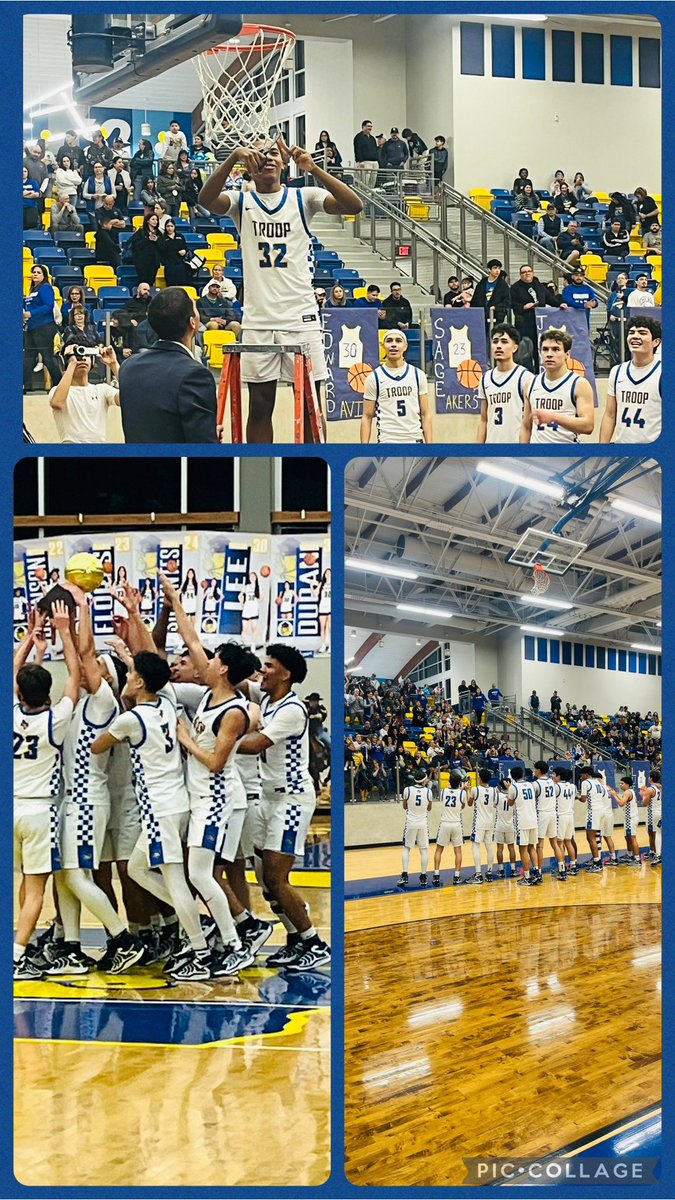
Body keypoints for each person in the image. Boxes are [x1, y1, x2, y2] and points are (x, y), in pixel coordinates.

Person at [199, 135, 362, 443]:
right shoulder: (241, 201)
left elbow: (354, 205)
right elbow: (205, 199)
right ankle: (262, 469)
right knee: (260, 406)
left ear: (284, 161)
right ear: (249, 165)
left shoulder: (305, 196)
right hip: (259, 319)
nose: (267, 158)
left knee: (310, 405)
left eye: (273, 152)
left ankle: (313, 468)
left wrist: (313, 168)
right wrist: (234, 155)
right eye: (259, 155)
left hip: (299, 315)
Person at [92, 650, 212, 980]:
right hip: (175, 802)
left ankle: (199, 951)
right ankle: (193, 920)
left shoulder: (130, 719)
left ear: (141, 681)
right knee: (136, 868)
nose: (127, 678)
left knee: (174, 879)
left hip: (160, 807)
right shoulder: (165, 705)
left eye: (131, 674)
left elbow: (97, 746)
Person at [47, 592, 144, 976]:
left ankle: (124, 939)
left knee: (72, 874)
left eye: (100, 666)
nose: (91, 668)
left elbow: (83, 658)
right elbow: (76, 667)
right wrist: (62, 635)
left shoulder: (103, 701)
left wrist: (79, 618)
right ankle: (70, 946)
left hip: (88, 801)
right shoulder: (76, 702)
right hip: (77, 801)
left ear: (107, 677)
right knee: (69, 874)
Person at [237, 644, 331, 972]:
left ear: (286, 674)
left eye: (268, 666)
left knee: (277, 878)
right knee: (265, 879)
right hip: (267, 798)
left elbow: (257, 744)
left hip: (291, 800)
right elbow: (234, 678)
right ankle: (294, 939)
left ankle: (313, 941)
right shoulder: (266, 699)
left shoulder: (292, 709)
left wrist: (213, 744)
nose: (261, 671)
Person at [12, 606, 78, 979]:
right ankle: (17, 955)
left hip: (12, 808)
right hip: (40, 811)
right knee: (37, 888)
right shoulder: (56, 720)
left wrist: (30, 635)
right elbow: (74, 675)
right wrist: (65, 632)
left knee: (24, 882)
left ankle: (22, 942)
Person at [119, 287, 218, 443]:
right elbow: (203, 448)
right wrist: (208, 434)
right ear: (192, 322)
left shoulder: (128, 366)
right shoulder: (195, 375)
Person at [522, 327, 594, 443]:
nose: (549, 354)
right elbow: (526, 426)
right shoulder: (531, 383)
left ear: (567, 354)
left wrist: (554, 417)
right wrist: (523, 455)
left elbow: (588, 426)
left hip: (567, 456)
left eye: (556, 349)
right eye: (545, 349)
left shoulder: (579, 384)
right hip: (537, 456)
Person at [360, 330, 432, 444]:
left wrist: (430, 448)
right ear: (383, 345)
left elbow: (425, 414)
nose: (393, 344)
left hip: (414, 440)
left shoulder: (418, 375)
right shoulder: (374, 377)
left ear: (405, 346)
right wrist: (363, 451)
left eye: (398, 341)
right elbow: (367, 417)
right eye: (389, 341)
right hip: (387, 442)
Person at [600, 316, 661, 443]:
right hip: (621, 454)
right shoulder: (617, 371)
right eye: (631, 333)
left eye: (642, 333)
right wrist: (601, 450)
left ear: (656, 342)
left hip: (652, 457)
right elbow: (610, 415)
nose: (635, 336)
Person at [49, 343, 119, 443]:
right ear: (64, 362)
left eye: (86, 354)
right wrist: (72, 362)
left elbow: (128, 397)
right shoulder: (57, 391)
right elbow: (57, 403)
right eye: (77, 354)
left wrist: (114, 364)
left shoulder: (102, 389)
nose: (82, 358)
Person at [477, 323, 534, 443]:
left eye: (504, 341)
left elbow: (531, 422)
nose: (498, 346)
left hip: (516, 449)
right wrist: (478, 451)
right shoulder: (485, 378)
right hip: (491, 449)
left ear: (515, 347)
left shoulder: (526, 378)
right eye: (495, 341)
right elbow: (483, 419)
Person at [510, 264, 566, 361]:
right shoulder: (515, 288)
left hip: (540, 322)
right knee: (526, 349)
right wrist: (523, 307)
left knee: (540, 348)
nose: (527, 273)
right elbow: (511, 303)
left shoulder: (539, 286)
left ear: (533, 273)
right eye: (524, 272)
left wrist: (560, 304)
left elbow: (549, 298)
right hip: (524, 322)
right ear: (520, 274)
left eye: (529, 271)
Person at [23, 264, 62, 392]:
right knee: (28, 358)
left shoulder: (45, 288)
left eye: (38, 272)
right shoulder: (33, 290)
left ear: (44, 275)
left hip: (44, 328)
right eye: (33, 272)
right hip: (32, 328)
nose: (35, 274)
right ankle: (26, 386)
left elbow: (48, 305)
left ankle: (60, 384)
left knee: (47, 358)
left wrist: (31, 314)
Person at [396, 767, 433, 888]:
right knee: (424, 850)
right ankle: (423, 876)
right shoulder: (428, 792)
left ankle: (405, 874)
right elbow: (429, 808)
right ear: (423, 781)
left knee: (407, 848)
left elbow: (404, 806)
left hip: (410, 822)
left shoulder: (407, 790)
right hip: (422, 823)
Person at [533, 760, 566, 881]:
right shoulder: (553, 783)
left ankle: (539, 873)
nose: (534, 771)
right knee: (555, 844)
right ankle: (562, 870)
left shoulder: (536, 784)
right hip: (553, 813)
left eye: (535, 769)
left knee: (540, 846)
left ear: (539, 770)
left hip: (542, 814)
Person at [507, 766, 539, 885]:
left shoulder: (513, 787)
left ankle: (527, 876)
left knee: (523, 849)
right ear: (523, 774)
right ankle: (537, 872)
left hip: (522, 821)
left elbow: (510, 803)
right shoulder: (531, 785)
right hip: (533, 820)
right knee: (532, 847)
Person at [467, 768, 497, 884]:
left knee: (476, 846)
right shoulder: (494, 790)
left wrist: (467, 791)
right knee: (489, 846)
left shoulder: (475, 789)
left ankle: (478, 874)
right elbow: (494, 804)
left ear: (480, 777)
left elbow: (470, 803)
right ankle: (489, 872)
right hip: (490, 821)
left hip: (479, 822)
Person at [471, 259, 511, 329]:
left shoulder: (503, 284)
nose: (497, 270)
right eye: (495, 268)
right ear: (489, 269)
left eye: (499, 268)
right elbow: (475, 299)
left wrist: (496, 307)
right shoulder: (482, 283)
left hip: (496, 315)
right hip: (481, 314)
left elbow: (507, 301)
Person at [128, 213, 162, 286]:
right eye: (153, 219)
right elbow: (136, 246)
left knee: (151, 282)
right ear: (148, 221)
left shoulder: (159, 233)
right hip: (142, 262)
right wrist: (148, 239)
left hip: (154, 262)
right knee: (142, 281)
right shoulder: (140, 232)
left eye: (156, 219)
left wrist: (157, 241)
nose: (155, 221)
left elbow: (162, 247)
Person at [159, 218, 192, 286]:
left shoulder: (180, 236)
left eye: (171, 226)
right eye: (168, 226)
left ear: (174, 227)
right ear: (165, 227)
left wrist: (184, 251)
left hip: (181, 265)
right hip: (169, 267)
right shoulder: (162, 238)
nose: (170, 228)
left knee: (182, 285)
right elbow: (161, 253)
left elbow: (186, 247)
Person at [353, 120, 379, 187]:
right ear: (363, 127)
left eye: (371, 126)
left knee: (372, 182)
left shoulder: (372, 138)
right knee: (365, 183)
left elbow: (375, 149)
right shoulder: (358, 137)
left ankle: (370, 196)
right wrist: (361, 161)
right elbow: (358, 149)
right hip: (365, 162)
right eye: (368, 126)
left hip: (374, 162)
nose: (370, 128)